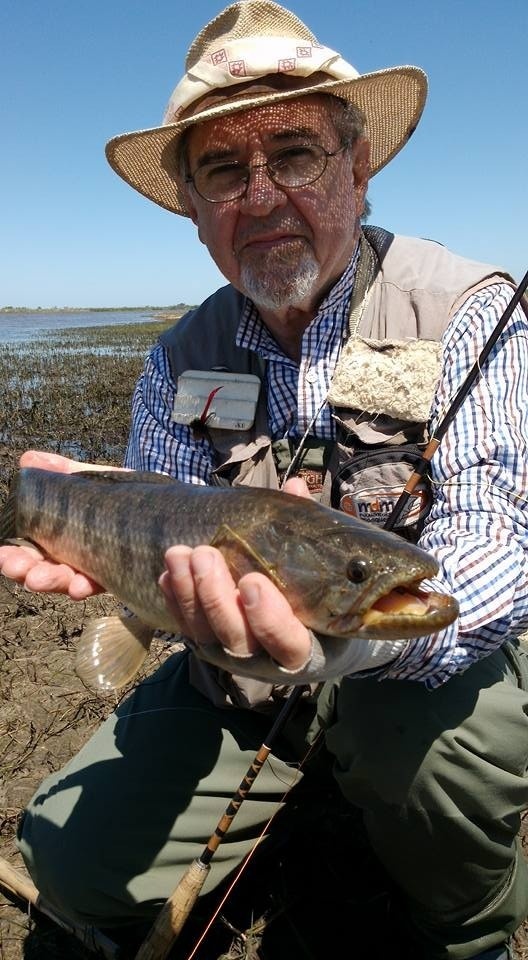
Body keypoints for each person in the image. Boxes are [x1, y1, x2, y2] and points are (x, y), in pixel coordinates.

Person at [1, 2, 528, 957]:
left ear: (358, 168)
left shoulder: (470, 307)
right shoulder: (175, 358)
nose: (260, 194)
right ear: (195, 209)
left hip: (416, 682)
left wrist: (360, 653)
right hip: (235, 682)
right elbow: (153, 514)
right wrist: (116, 569)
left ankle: (470, 935)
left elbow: (498, 537)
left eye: (295, 155)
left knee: (451, 760)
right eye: (222, 170)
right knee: (65, 857)